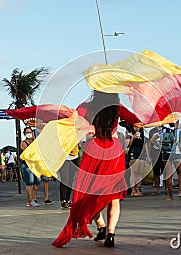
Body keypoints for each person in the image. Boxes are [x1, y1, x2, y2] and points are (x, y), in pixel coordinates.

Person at [52, 91, 140, 248]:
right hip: (114, 151)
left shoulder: (86, 107)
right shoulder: (117, 108)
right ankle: (110, 234)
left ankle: (101, 226)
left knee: (90, 194)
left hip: (94, 150)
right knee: (113, 196)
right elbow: (137, 120)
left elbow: (69, 119)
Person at [164, 121, 181, 200]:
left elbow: (153, 139)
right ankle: (180, 192)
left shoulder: (164, 130)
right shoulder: (178, 131)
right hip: (176, 153)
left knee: (168, 175)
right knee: (180, 173)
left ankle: (170, 196)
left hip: (166, 153)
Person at [33, 118, 53, 205]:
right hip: (37, 158)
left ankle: (46, 197)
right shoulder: (33, 132)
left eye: (42, 122)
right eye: (39, 122)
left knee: (46, 180)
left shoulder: (46, 132)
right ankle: (34, 197)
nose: (41, 124)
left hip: (45, 158)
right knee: (36, 180)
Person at [20, 127, 40, 207]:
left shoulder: (34, 141)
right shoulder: (23, 143)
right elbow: (28, 152)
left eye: (30, 132)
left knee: (36, 183)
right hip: (27, 166)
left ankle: (34, 198)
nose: (29, 134)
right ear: (24, 134)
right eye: (27, 132)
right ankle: (30, 200)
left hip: (35, 165)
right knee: (29, 183)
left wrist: (34, 140)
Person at [127, 126, 150, 196]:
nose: (136, 128)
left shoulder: (143, 135)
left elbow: (146, 146)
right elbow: (128, 145)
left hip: (141, 152)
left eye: (138, 127)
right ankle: (133, 190)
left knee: (139, 172)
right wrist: (133, 138)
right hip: (133, 152)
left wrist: (148, 156)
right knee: (133, 172)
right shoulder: (130, 134)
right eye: (135, 126)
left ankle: (138, 189)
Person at [58, 145, 79, 210]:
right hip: (64, 158)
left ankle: (67, 199)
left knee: (70, 180)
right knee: (64, 179)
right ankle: (63, 200)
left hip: (74, 157)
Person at [149, 126, 165, 195]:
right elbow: (150, 142)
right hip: (155, 153)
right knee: (156, 172)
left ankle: (167, 188)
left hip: (164, 153)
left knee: (165, 171)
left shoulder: (165, 129)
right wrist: (149, 155)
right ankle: (157, 188)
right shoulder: (152, 131)